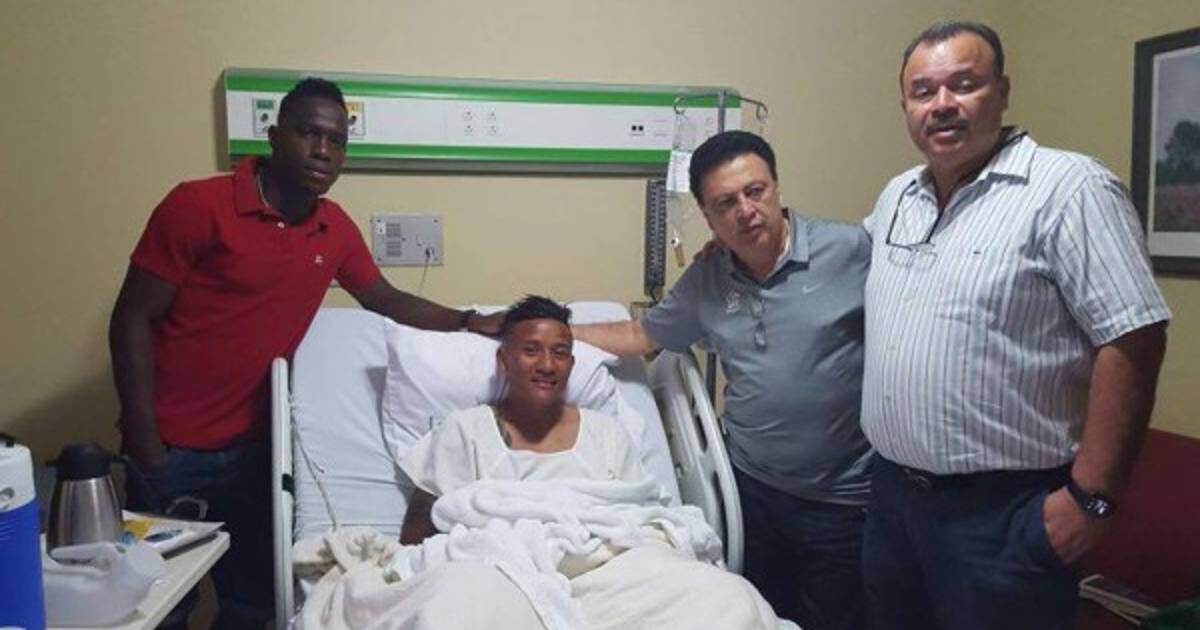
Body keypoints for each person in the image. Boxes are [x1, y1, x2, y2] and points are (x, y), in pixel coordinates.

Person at [108, 77, 501, 629]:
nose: (323, 150)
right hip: (172, 448)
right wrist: (147, 446)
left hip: (256, 452)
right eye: (309, 133)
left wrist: (467, 321)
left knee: (251, 603)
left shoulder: (332, 228)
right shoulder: (197, 206)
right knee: (157, 605)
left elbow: (384, 297)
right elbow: (131, 318)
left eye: (337, 140)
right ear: (274, 137)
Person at [860, 21, 1171, 630]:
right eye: (923, 91)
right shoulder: (899, 196)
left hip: (1003, 516)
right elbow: (841, 262)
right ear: (905, 108)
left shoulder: (1069, 189)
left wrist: (1091, 499)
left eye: (963, 85)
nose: (941, 104)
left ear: (1001, 92)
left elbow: (1133, 337)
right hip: (893, 503)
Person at [574, 131, 871, 630]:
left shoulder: (851, 252)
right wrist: (552, 332)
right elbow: (640, 335)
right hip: (751, 492)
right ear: (708, 217)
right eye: (726, 203)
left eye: (756, 191)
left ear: (777, 187)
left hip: (842, 501)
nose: (746, 211)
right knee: (758, 617)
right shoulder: (707, 278)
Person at [392, 295, 790, 630]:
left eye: (560, 352)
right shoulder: (466, 430)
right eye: (531, 350)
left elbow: (642, 519)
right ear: (504, 360)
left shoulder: (607, 433)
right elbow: (417, 537)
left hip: (612, 578)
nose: (547, 364)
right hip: (505, 575)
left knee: (728, 598)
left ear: (571, 363)